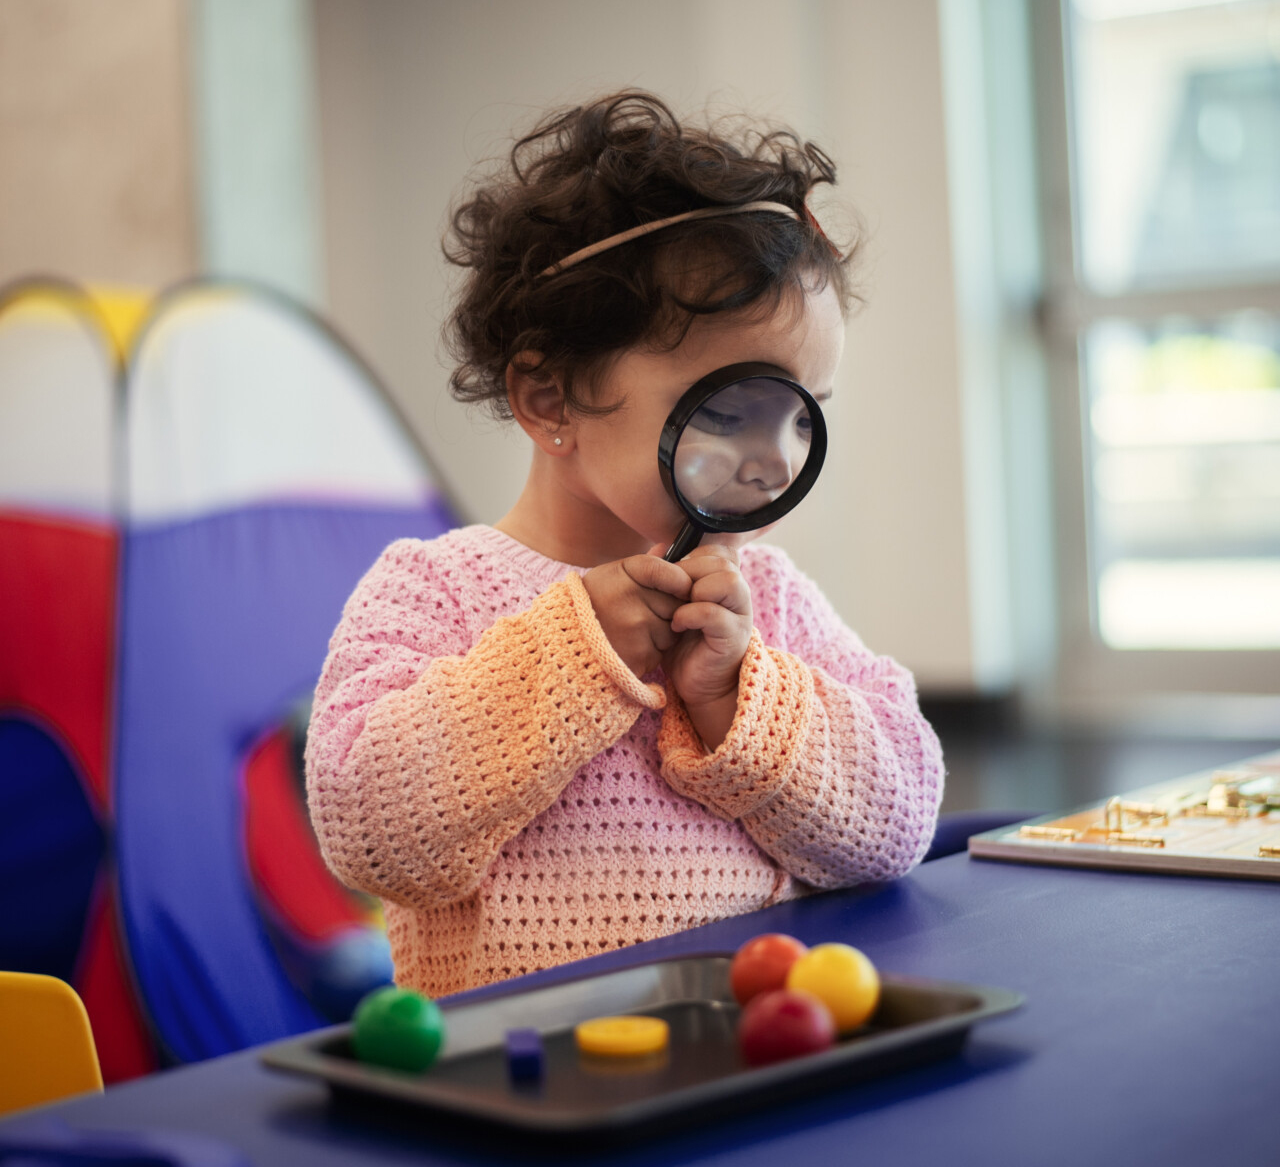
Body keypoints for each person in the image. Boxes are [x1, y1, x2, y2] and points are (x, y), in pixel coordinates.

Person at [305, 91, 944, 999]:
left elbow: (898, 822)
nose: (776, 458)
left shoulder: (771, 600)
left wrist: (740, 700)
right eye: (728, 411)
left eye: (805, 417)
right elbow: (368, 832)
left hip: (751, 1066)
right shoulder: (435, 589)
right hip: (528, 1093)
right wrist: (567, 657)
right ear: (550, 401)